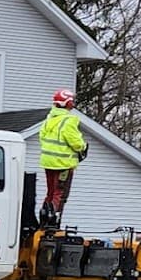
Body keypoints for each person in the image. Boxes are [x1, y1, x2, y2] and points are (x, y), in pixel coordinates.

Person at [38, 88, 87, 227]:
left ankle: (44, 217)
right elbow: (76, 143)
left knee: (51, 192)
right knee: (60, 194)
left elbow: (41, 137)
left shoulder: (49, 119)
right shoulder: (69, 120)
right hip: (64, 164)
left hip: (48, 163)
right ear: (69, 103)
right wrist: (83, 146)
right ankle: (53, 221)